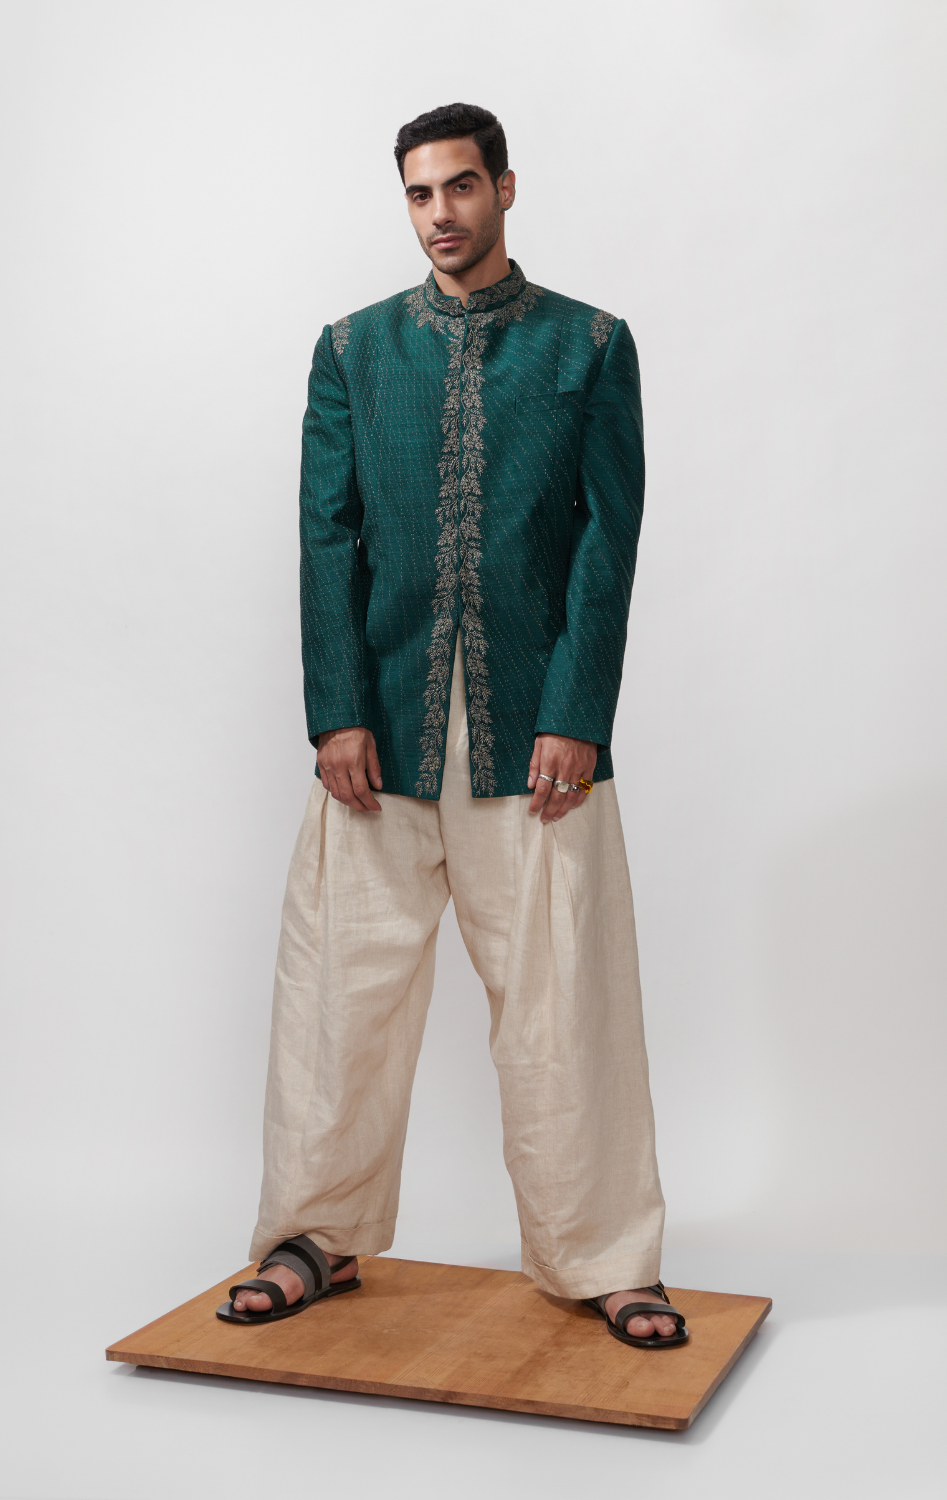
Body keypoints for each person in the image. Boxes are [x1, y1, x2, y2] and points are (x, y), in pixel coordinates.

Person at [217, 103, 686, 1349]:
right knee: (339, 993)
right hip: (382, 728)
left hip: (537, 732)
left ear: (505, 188)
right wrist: (335, 712)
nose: (440, 214)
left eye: (461, 187)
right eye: (420, 194)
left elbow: (608, 540)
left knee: (563, 998)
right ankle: (312, 1237)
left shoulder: (589, 345)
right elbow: (327, 536)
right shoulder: (353, 349)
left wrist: (576, 710)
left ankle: (604, 1257)